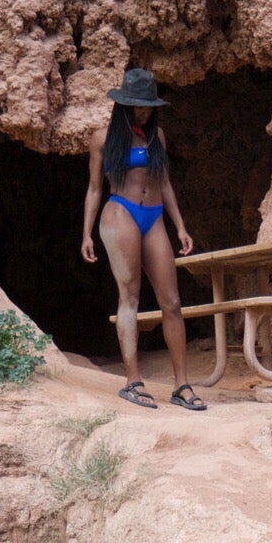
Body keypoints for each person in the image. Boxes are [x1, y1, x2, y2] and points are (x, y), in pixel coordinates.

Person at [82, 67, 203, 410]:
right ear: (123, 105)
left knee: (172, 302)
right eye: (138, 105)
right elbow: (94, 189)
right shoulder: (102, 139)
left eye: (148, 105)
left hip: (154, 218)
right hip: (120, 212)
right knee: (130, 295)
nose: (144, 111)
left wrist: (180, 226)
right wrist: (86, 233)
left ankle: (181, 386)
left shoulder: (157, 138)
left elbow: (164, 184)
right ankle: (133, 380)